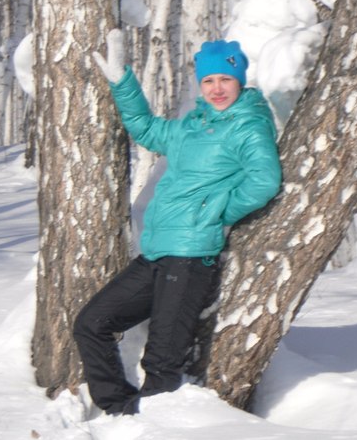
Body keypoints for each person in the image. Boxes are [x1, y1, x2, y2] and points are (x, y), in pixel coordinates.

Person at [73, 30, 282, 416]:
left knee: (162, 361)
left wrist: (216, 213)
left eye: (225, 79)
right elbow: (146, 129)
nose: (217, 89)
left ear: (239, 80)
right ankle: (119, 411)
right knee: (92, 323)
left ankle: (152, 426)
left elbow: (264, 181)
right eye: (208, 80)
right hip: (157, 251)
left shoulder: (248, 125)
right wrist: (122, 81)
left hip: (192, 256)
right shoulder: (191, 126)